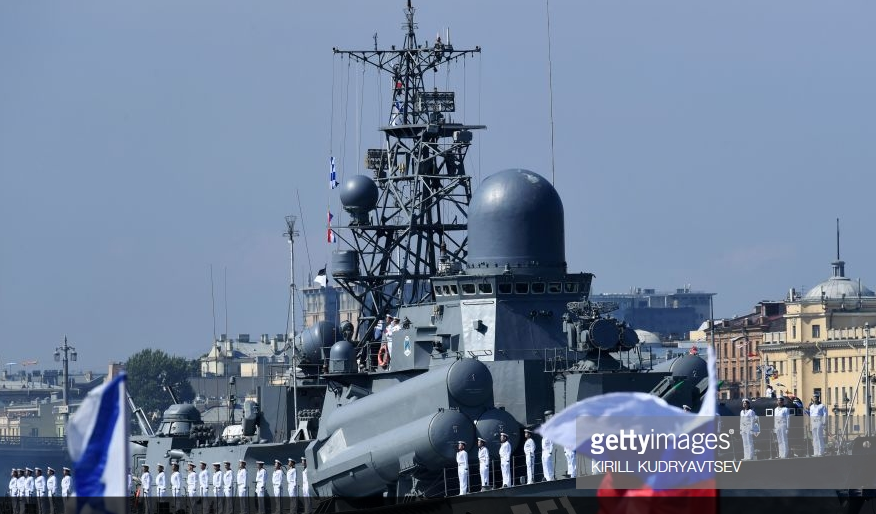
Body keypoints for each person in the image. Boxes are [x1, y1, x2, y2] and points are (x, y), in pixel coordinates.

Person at [541, 415, 554, 481]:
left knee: (548, 464)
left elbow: (551, 443)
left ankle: (550, 477)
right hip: (543, 452)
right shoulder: (543, 437)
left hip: (547, 451)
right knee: (544, 465)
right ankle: (546, 476)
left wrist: (550, 452)